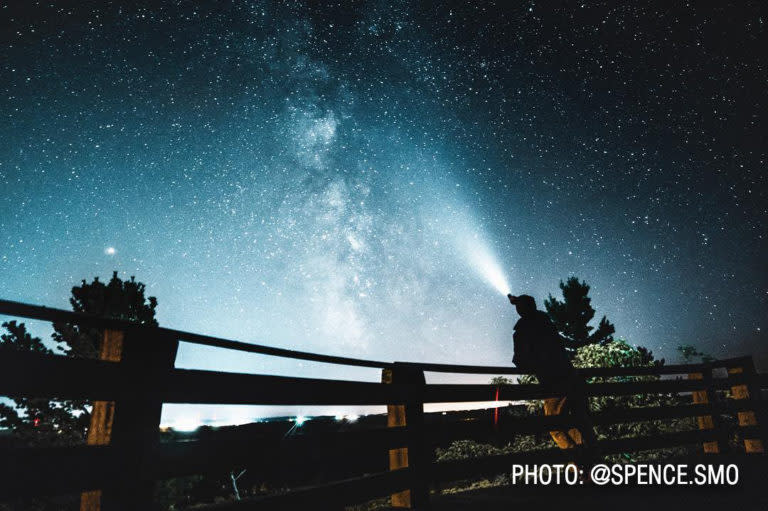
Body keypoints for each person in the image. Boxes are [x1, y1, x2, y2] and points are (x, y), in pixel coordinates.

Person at [508, 293, 593, 450]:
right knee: (578, 423)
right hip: (571, 377)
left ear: (521, 309)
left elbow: (521, 361)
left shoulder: (523, 329)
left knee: (554, 426)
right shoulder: (546, 323)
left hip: (553, 382)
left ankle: (581, 464)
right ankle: (590, 463)